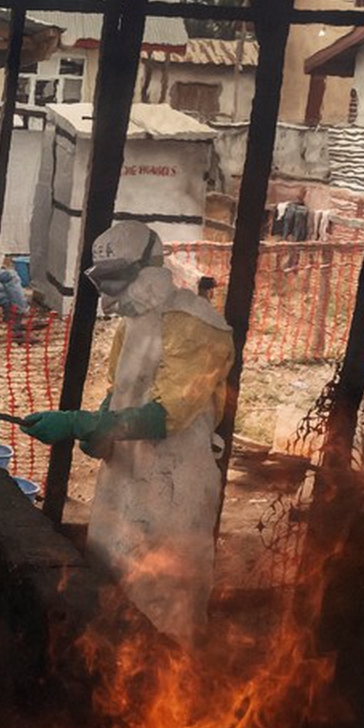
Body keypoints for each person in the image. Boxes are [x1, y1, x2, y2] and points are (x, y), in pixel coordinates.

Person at [20, 222, 234, 642]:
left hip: (174, 486)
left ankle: (169, 676)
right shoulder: (131, 325)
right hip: (123, 482)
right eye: (102, 281)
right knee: (111, 589)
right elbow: (119, 392)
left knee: (163, 605)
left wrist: (81, 422)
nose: (109, 293)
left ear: (149, 269)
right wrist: (98, 428)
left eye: (116, 278)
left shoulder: (197, 324)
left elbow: (167, 415)